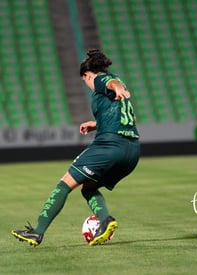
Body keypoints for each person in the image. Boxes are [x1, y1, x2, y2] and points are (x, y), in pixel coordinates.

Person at [11, 49, 141, 246]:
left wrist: (116, 88)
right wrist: (96, 123)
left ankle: (37, 231)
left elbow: (108, 83)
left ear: (87, 75)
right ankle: (105, 221)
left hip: (110, 145)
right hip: (132, 151)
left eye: (85, 81)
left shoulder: (101, 80)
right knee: (88, 187)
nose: (88, 85)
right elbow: (131, 119)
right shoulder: (118, 83)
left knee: (65, 183)